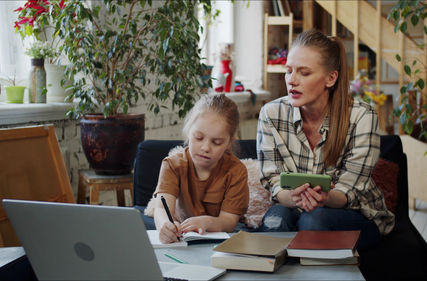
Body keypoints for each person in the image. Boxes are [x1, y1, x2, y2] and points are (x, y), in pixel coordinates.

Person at [257, 29, 394, 250]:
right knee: (276, 220)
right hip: (292, 206)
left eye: (304, 73)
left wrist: (324, 199)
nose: (291, 81)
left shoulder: (362, 117)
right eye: (289, 70)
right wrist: (294, 197)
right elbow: (272, 180)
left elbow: (349, 190)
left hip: (352, 212)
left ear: (331, 78)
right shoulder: (271, 114)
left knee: (313, 220)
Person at [152, 93, 249, 244]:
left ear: (229, 143)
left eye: (217, 142)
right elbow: (161, 209)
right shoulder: (172, 165)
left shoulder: (236, 171)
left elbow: (229, 221)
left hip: (220, 236)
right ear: (188, 131)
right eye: (198, 137)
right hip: (182, 234)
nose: (205, 148)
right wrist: (165, 225)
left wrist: (208, 222)